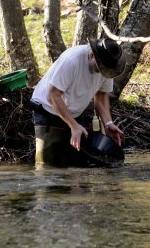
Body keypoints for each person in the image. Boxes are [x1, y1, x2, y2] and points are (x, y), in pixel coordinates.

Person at [30, 38, 126, 166]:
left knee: (76, 165)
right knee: (48, 166)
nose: (102, 72)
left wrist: (108, 123)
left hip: (76, 114)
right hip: (48, 111)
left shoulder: (107, 67)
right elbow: (53, 95)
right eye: (100, 67)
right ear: (92, 55)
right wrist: (73, 125)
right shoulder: (72, 60)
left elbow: (101, 95)